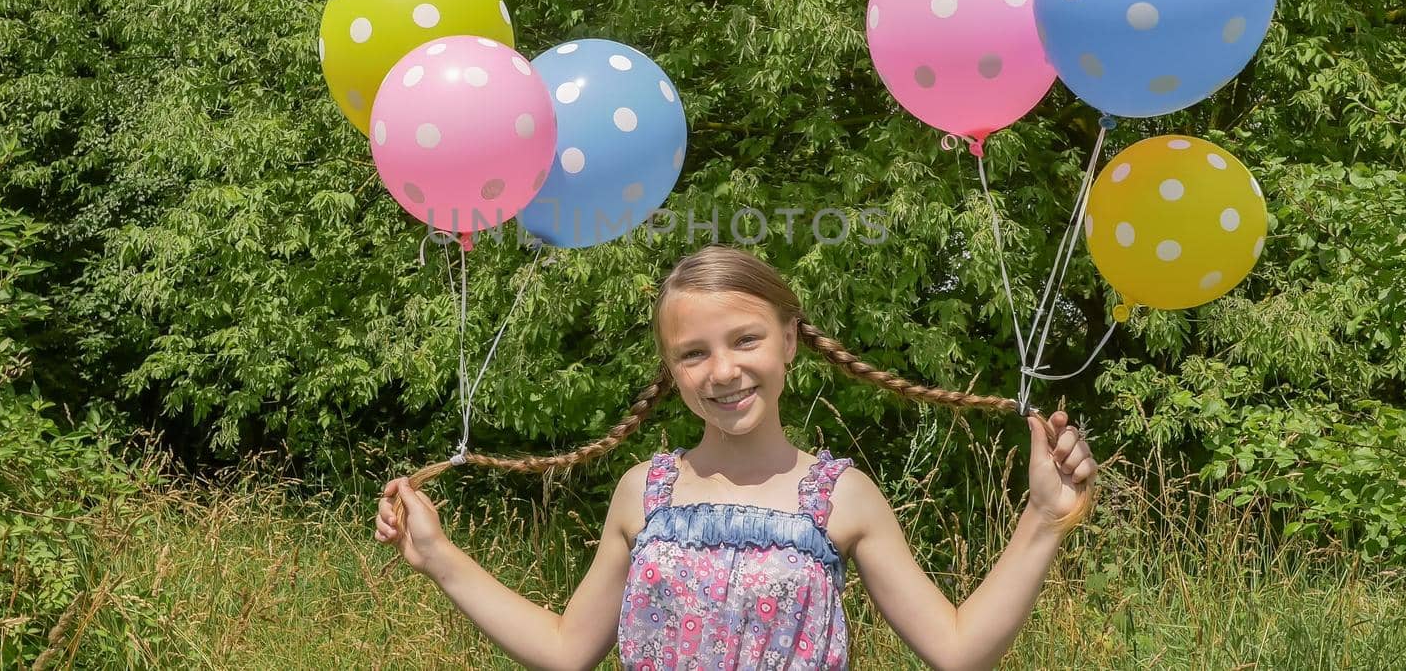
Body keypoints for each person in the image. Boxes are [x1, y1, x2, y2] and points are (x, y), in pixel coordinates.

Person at [376, 244, 1097, 670]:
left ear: (788, 339)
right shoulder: (644, 492)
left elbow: (958, 648)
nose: (722, 372)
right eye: (693, 353)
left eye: (745, 340)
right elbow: (567, 648)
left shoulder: (840, 497)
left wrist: (1041, 519)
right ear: (670, 367)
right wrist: (440, 556)